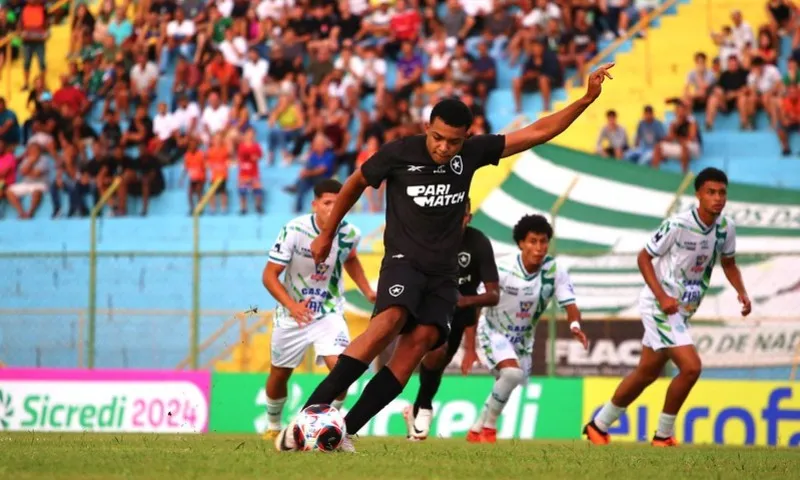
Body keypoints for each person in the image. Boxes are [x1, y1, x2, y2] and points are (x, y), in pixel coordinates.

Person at [275, 63, 615, 453]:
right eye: (437, 138)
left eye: (453, 142)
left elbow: (537, 132)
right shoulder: (398, 154)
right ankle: (307, 417)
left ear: (465, 138)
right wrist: (328, 232)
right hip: (404, 260)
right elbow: (354, 183)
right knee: (389, 320)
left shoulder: (472, 154)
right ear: (427, 128)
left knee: (417, 346)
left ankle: (339, 432)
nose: (443, 147)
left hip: (443, 275)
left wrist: (586, 99)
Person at [584, 167, 751, 447]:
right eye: (711, 192)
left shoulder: (726, 227)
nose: (718, 198)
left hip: (683, 309)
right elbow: (643, 258)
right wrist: (662, 296)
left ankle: (598, 426)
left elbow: (729, 263)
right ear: (698, 195)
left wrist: (742, 292)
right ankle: (663, 436)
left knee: (647, 372)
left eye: (722, 193)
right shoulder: (677, 225)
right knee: (691, 368)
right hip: (659, 305)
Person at [262, 179, 377, 439]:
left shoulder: (349, 233)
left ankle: (328, 425)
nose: (332, 208)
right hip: (293, 315)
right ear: (315, 205)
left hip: (328, 312)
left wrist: (366, 290)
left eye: (338, 203)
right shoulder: (294, 230)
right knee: (279, 374)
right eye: (327, 203)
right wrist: (291, 306)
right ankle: (272, 426)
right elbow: (269, 275)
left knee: (341, 371)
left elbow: (351, 259)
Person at [466, 214, 588, 443]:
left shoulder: (555, 271)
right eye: (533, 241)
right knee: (512, 373)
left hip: (522, 339)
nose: (539, 248)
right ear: (521, 243)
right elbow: (474, 305)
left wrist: (574, 324)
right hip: (492, 330)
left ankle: (476, 428)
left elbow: (570, 304)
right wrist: (470, 346)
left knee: (508, 382)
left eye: (543, 241)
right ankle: (489, 430)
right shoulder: (501, 268)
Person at [403, 197, 500, 441]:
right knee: (437, 350)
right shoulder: (429, 240)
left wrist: (465, 303)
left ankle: (417, 410)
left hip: (459, 314)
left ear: (468, 217)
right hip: (429, 305)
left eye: (462, 216)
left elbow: (493, 295)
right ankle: (423, 408)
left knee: (438, 362)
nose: (457, 220)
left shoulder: (478, 243)